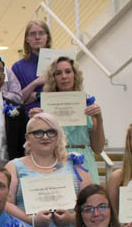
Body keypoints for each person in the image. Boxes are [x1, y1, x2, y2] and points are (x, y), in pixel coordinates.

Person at [6, 113, 91, 227]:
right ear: (27, 137)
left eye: (50, 131)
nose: (45, 137)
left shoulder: (74, 164)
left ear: (58, 135)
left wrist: (73, 217)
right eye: (38, 132)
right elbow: (5, 204)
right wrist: (30, 220)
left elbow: (90, 201)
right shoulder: (14, 166)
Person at [31, 57, 104, 185]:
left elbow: (98, 149)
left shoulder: (89, 105)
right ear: (53, 78)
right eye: (58, 73)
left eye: (68, 71)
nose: (64, 76)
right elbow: (34, 146)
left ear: (75, 75)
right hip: (54, 160)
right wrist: (34, 122)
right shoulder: (45, 108)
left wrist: (99, 118)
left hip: (83, 161)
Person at [11, 20, 51, 112]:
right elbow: (16, 100)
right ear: (27, 39)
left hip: (57, 115)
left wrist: (37, 95)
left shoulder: (59, 62)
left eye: (41, 33)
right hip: (30, 117)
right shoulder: (18, 67)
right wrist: (35, 83)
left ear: (47, 37)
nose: (37, 37)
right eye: (33, 34)